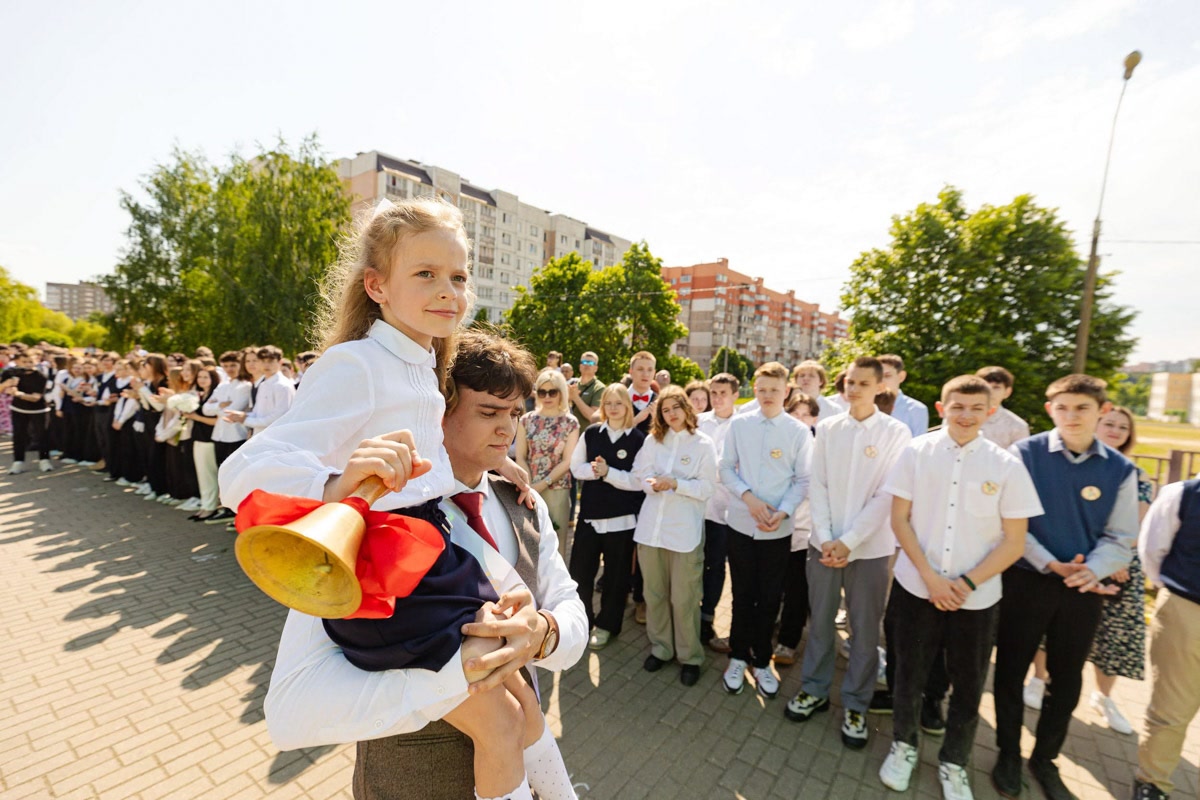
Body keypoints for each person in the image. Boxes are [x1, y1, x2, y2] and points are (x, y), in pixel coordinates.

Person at [221, 199, 571, 800]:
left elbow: (429, 468)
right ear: (376, 286)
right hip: (390, 579)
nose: (448, 291)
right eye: (425, 273)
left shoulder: (422, 362)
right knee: (501, 720)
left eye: (458, 276)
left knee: (525, 703)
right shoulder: (356, 362)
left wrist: (500, 461)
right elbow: (243, 473)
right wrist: (335, 487)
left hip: (432, 557)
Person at [258, 326, 587, 800]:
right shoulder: (373, 518)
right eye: (489, 412)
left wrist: (545, 633)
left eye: (515, 413)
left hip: (525, 766)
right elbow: (290, 711)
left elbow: (569, 606)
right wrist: (454, 678)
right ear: (437, 409)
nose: (508, 429)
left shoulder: (523, 502)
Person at [877, 375, 1043, 800]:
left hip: (977, 598)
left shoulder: (1006, 465)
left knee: (968, 686)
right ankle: (904, 745)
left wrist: (965, 583)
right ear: (941, 408)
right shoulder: (917, 452)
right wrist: (931, 578)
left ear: (991, 411)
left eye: (976, 408)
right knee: (908, 674)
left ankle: (954, 762)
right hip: (918, 588)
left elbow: (1015, 541)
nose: (966, 416)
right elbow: (900, 519)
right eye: (957, 407)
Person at [992, 374, 1136, 800]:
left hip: (1081, 587)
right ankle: (1007, 753)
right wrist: (1047, 562)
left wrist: (1091, 570)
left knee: (1067, 678)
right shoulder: (1024, 454)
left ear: (1102, 411)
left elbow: (1121, 537)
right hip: (1027, 579)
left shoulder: (1120, 469)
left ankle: (1045, 759)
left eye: (1082, 408)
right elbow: (1009, 519)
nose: (1072, 416)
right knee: (1011, 669)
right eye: (1063, 408)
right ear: (1049, 410)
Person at [785, 357, 910, 750]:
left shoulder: (896, 432)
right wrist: (826, 538)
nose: (853, 389)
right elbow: (818, 484)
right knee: (820, 623)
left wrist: (850, 541)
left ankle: (856, 703)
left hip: (870, 550)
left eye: (863, 383)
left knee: (864, 629)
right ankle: (814, 690)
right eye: (850, 382)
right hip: (823, 546)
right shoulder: (829, 428)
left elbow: (887, 495)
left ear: (880, 387)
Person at [603, 386, 716, 686]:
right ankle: (662, 648)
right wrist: (653, 484)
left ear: (687, 408)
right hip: (651, 532)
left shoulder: (703, 444)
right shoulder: (653, 441)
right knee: (654, 595)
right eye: (665, 410)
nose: (671, 413)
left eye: (676, 407)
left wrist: (676, 483)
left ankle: (690, 657)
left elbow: (707, 488)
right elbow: (640, 476)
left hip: (684, 534)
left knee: (684, 599)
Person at [719, 362, 812, 700]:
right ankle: (737, 656)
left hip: (778, 528)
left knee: (770, 597)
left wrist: (782, 511)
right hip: (741, 523)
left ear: (786, 391)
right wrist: (749, 499)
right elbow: (725, 468)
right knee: (742, 594)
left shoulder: (798, 431)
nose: (768, 395)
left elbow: (803, 479)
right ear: (754, 390)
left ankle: (761, 661)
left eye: (775, 389)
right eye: (762, 389)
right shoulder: (740, 424)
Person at [1131, 477, 1200, 800]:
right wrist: (1175, 591)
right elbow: (1152, 550)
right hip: (1187, 610)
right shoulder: (1183, 494)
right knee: (1171, 710)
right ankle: (1153, 784)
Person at [569, 383, 646, 650]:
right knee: (580, 573)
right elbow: (576, 467)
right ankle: (582, 622)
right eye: (608, 403)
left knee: (616, 578)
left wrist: (608, 473)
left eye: (619, 403)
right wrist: (595, 471)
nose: (613, 408)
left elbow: (638, 481)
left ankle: (606, 626)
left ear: (627, 406)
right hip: (590, 517)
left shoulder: (638, 439)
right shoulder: (592, 433)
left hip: (621, 521)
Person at [772, 390, 820, 666]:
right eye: (795, 414)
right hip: (772, 527)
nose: (801, 420)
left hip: (802, 531)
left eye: (806, 415)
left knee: (796, 590)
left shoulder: (819, 450)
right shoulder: (777, 442)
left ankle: (788, 642)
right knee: (771, 585)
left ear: (814, 419)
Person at [516, 369, 580, 558]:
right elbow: (520, 456)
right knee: (528, 543)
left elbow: (567, 461)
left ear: (562, 393)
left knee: (556, 546)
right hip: (527, 489)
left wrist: (542, 484)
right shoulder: (526, 420)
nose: (547, 396)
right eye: (542, 392)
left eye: (552, 392)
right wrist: (529, 486)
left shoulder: (570, 423)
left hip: (557, 490)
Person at [698, 373, 739, 651]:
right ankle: (690, 615)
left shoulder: (742, 426)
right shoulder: (699, 422)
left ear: (735, 394)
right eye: (714, 392)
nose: (717, 398)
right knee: (694, 565)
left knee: (715, 567)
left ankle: (707, 618)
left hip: (725, 511)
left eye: (723, 393)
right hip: (695, 508)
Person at [2, 349, 53, 473]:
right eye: (24, 362)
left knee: (42, 436)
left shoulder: (40, 376)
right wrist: (7, 384)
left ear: (36, 361)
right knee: (19, 436)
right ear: (18, 361)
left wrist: (18, 394)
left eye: (30, 361)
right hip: (18, 409)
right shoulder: (10, 373)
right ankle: (18, 462)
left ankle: (44, 460)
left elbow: (36, 398)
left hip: (39, 410)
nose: (28, 364)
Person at [224, 345, 295, 434]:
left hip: (275, 436)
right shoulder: (263, 384)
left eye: (270, 361)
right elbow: (258, 413)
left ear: (279, 362)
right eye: (262, 361)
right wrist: (242, 416)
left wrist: (245, 420)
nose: (266, 365)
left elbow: (279, 417)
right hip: (261, 435)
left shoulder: (283, 385)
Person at [976, 367, 1031, 449]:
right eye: (985, 387)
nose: (990, 392)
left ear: (1007, 392)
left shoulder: (1017, 426)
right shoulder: (959, 418)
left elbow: (1020, 456)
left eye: (996, 387)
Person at [879, 354, 928, 438]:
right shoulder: (866, 405)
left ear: (901, 376)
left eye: (887, 376)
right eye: (878, 376)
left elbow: (918, 443)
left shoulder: (916, 409)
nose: (881, 381)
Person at [567, 351, 605, 431]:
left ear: (596, 368)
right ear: (580, 366)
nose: (587, 365)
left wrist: (575, 398)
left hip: (586, 435)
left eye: (591, 363)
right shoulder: (571, 384)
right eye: (584, 362)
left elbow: (593, 417)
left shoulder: (599, 388)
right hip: (567, 433)